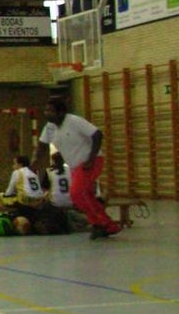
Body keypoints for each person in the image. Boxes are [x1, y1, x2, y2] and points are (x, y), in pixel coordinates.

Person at [32, 96, 121, 238]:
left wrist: (91, 159)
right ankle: (105, 225)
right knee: (85, 196)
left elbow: (97, 134)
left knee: (76, 193)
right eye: (46, 110)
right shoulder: (50, 127)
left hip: (90, 162)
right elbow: (42, 146)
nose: (46, 113)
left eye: (50, 110)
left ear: (61, 113)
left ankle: (101, 224)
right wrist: (34, 162)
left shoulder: (74, 121)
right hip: (75, 166)